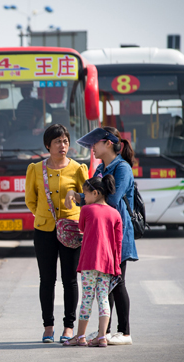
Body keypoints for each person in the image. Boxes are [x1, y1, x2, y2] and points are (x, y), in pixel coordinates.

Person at [65, 126, 138, 345]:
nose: (92, 149)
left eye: (94, 144)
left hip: (117, 234)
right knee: (107, 287)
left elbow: (112, 201)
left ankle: (124, 332)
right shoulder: (100, 169)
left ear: (107, 143)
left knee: (118, 283)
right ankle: (102, 334)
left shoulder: (122, 168)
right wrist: (78, 195)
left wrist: (83, 199)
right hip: (101, 236)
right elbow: (93, 195)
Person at [25, 123, 88, 343]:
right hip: (44, 230)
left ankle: (69, 327)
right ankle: (48, 327)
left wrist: (74, 205)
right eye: (57, 142)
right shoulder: (35, 169)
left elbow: (87, 198)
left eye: (65, 141)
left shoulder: (78, 169)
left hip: (71, 230)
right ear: (47, 145)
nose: (63, 145)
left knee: (70, 280)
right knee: (47, 279)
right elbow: (30, 200)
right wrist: (44, 216)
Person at [63, 174, 122, 347]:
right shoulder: (115, 213)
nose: (84, 198)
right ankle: (102, 336)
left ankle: (80, 336)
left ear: (95, 193)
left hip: (89, 261)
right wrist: (116, 265)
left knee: (87, 298)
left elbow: (81, 227)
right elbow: (118, 243)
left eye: (85, 194)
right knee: (103, 297)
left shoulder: (86, 210)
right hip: (107, 263)